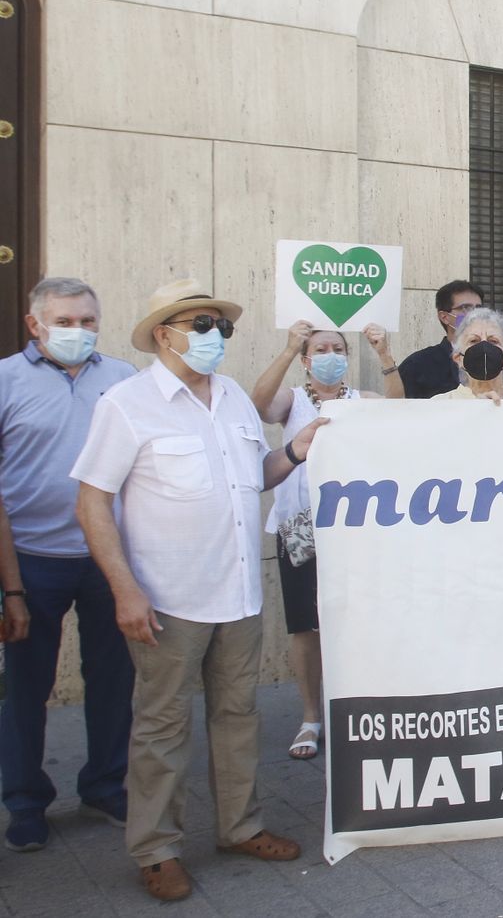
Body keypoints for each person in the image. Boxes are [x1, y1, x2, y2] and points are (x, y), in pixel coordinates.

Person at [72, 279, 326, 901]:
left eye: (221, 326)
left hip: (238, 593)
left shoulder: (235, 397)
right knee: (161, 726)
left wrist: (294, 449)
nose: (216, 337)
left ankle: (241, 826)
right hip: (168, 598)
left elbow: (255, 476)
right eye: (203, 325)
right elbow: (93, 501)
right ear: (167, 333)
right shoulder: (127, 403)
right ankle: (156, 849)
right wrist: (125, 590)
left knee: (237, 717)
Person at [0, 278, 137, 854]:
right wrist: (11, 589)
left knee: (113, 680)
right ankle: (26, 802)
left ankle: (105, 785)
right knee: (26, 689)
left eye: (87, 321)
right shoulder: (5, 380)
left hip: (109, 561)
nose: (78, 332)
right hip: (33, 562)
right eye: (65, 321)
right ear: (35, 324)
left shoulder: (124, 379)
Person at [249, 320, 399, 762]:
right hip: (300, 531)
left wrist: (384, 355)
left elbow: (399, 408)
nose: (331, 354)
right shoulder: (292, 401)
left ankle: (352, 709)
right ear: (306, 359)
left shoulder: (359, 401)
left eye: (338, 348)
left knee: (355, 619)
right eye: (320, 348)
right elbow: (259, 403)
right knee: (304, 626)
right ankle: (311, 716)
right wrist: (287, 346)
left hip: (353, 531)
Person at [398, 280, 484, 398]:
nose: (474, 314)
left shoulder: (491, 357)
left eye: (478, 308)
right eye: (465, 308)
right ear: (444, 317)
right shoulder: (418, 365)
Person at [434, 308, 503, 401]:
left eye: (493, 341)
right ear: (458, 358)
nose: (484, 346)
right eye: (474, 340)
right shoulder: (439, 405)